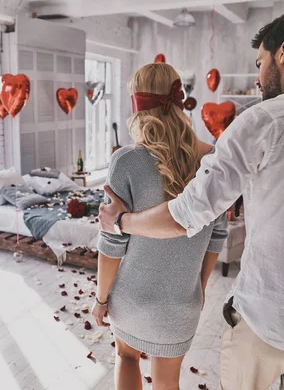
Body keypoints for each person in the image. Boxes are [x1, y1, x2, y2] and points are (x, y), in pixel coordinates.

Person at [98, 12, 284, 390]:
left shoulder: (266, 120)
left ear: (283, 52)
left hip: (268, 319)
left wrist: (122, 222)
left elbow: (189, 214)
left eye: (260, 62)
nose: (257, 77)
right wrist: (199, 286)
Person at [91, 63, 228, 390]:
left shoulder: (126, 162)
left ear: (137, 106)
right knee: (168, 379)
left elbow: (112, 243)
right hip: (182, 304)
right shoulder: (213, 159)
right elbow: (217, 236)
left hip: (132, 300)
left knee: (126, 358)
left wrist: (100, 298)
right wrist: (198, 289)